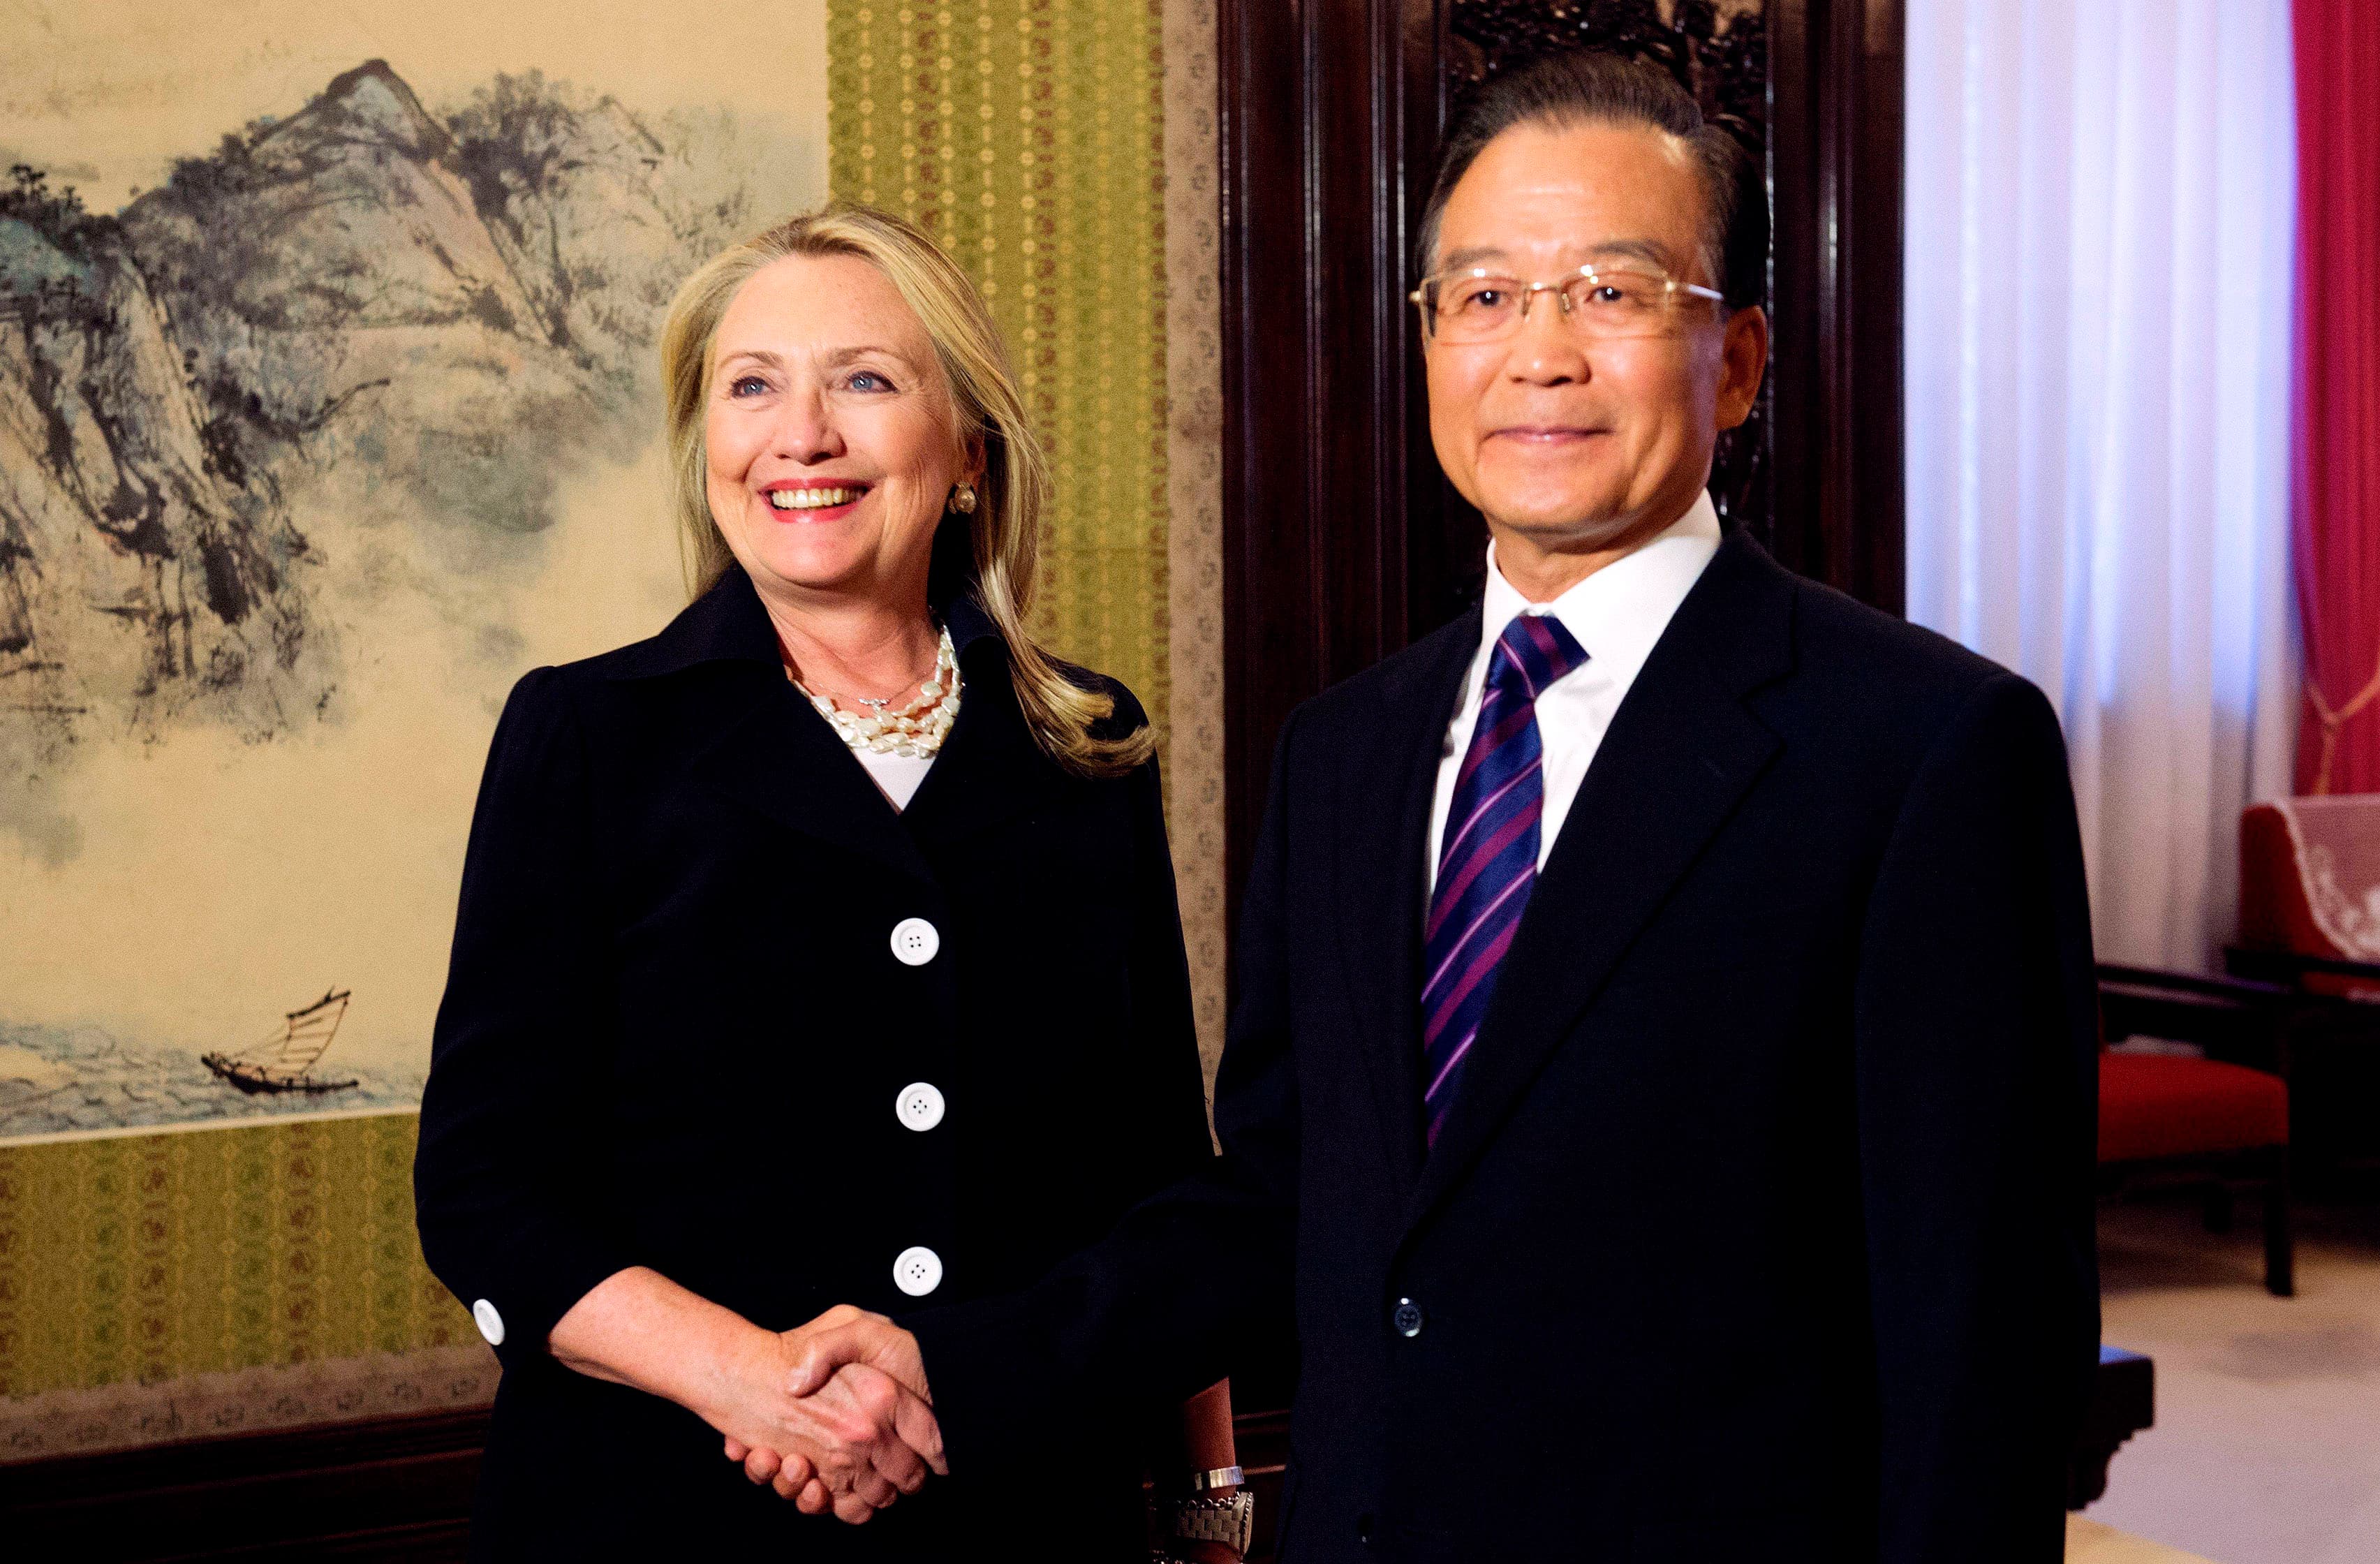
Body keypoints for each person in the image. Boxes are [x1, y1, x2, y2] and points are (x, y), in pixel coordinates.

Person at [760, 52, 2100, 1563]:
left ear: (1736, 361)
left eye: (1612, 292)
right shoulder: (1346, 751)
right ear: (1428, 341)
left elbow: (1983, 1340)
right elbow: (1283, 1201)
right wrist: (954, 1367)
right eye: (1484, 296)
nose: (1541, 355)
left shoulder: (1924, 750)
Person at [413, 203, 1243, 1560]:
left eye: (863, 379)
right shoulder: (587, 738)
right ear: (706, 448)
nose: (799, 435)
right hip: (654, 1525)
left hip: (1027, 1524)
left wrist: (1207, 1504)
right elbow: (484, 1190)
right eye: (752, 387)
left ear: (966, 449)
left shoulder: (1087, 746)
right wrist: (755, 1384)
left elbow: (1157, 1185)